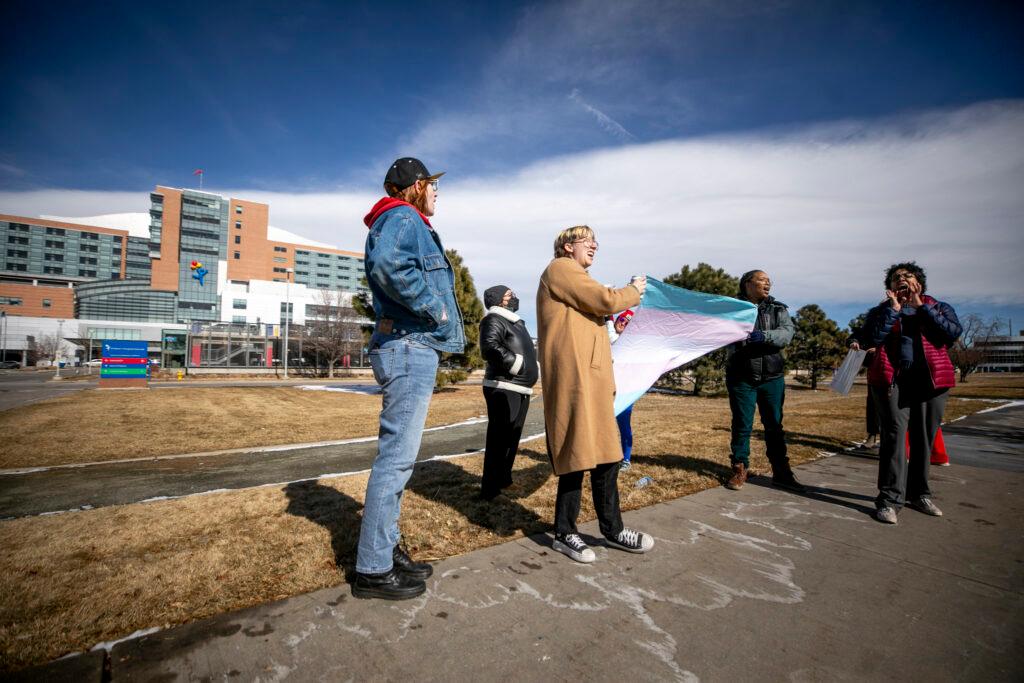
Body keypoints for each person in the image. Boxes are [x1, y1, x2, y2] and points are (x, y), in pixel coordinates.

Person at [353, 157, 465, 600]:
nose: (437, 191)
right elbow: (388, 267)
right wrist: (433, 308)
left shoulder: (396, 218)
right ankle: (373, 569)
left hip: (404, 346)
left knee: (400, 461)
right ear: (416, 187)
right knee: (396, 461)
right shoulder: (402, 217)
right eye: (432, 184)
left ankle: (386, 548)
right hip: (408, 346)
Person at [536, 225, 654, 564]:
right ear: (568, 246)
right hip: (575, 381)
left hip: (594, 382)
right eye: (588, 242)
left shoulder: (576, 277)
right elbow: (606, 301)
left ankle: (613, 529)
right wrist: (634, 290)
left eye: (596, 243)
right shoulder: (560, 269)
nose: (594, 247)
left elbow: (600, 307)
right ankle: (564, 532)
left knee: (607, 454)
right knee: (577, 454)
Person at [864, 262, 961, 524]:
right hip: (893, 381)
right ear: (890, 287)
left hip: (931, 383)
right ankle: (889, 500)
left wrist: (922, 307)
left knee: (923, 440)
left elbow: (950, 334)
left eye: (908, 276)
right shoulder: (881, 311)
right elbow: (871, 338)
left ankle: (919, 494)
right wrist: (893, 311)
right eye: (896, 277)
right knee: (894, 438)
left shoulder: (938, 306)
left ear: (919, 281)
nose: (902, 280)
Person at [724, 270, 805, 493]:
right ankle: (740, 468)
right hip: (741, 378)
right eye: (761, 280)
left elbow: (786, 334)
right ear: (747, 284)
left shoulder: (778, 309)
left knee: (774, 426)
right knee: (742, 425)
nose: (767, 283)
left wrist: (765, 336)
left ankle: (782, 472)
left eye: (769, 281)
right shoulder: (733, 308)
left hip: (772, 378)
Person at [479, 285, 539, 500]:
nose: (513, 297)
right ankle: (490, 490)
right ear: (498, 300)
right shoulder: (493, 319)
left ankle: (504, 481)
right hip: (503, 387)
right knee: (499, 441)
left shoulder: (514, 322)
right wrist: (517, 364)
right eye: (509, 294)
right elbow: (489, 347)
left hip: (520, 388)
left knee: (511, 439)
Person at [607, 309, 636, 471]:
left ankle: (626, 459)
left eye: (627, 323)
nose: (623, 323)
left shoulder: (629, 343)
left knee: (624, 425)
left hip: (624, 391)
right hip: (606, 389)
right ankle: (604, 457)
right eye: (622, 319)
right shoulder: (608, 336)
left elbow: (614, 338)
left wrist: (609, 317)